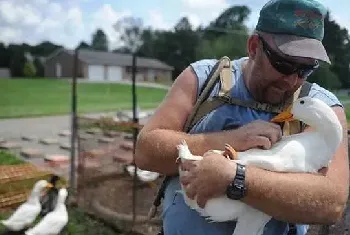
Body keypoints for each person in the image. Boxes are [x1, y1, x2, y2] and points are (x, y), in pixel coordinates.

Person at [135, 0, 349, 234]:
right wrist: (229, 140)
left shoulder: (321, 107)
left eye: (306, 68)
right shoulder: (203, 80)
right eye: (283, 64)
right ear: (254, 46)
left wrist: (236, 178)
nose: (292, 80)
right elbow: (146, 152)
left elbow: (331, 202)